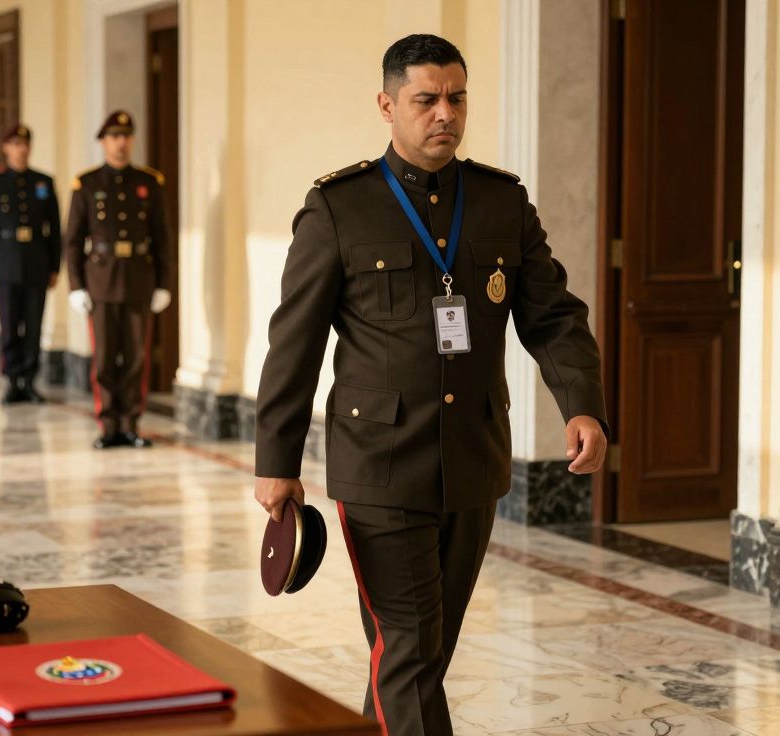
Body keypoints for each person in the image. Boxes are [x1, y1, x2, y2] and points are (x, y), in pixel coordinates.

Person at [252, 35, 609, 735]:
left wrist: (583, 405)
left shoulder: (501, 201)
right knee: (411, 648)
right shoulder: (339, 208)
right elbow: (293, 344)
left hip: (472, 458)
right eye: (426, 100)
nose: (445, 113)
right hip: (379, 463)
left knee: (418, 653)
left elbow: (553, 313)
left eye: (457, 97)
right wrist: (277, 464)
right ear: (388, 106)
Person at [65, 111, 173, 449]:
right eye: (114, 137)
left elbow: (162, 239)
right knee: (105, 359)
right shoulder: (87, 184)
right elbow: (72, 240)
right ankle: (108, 424)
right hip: (100, 281)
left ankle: (131, 424)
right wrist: (76, 285)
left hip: (139, 280)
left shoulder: (149, 183)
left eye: (126, 136)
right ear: (103, 142)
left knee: (136, 358)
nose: (121, 142)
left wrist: (164, 284)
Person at [0, 124, 62, 405]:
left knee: (34, 325)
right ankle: (13, 381)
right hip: (6, 263)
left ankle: (30, 380)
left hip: (37, 261)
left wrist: (54, 266)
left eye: (25, 144)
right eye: (14, 144)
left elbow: (54, 228)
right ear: (5, 148)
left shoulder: (43, 183)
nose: (21, 149)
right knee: (10, 325)